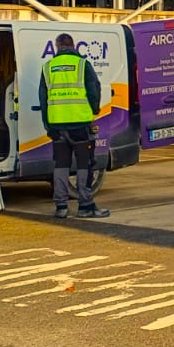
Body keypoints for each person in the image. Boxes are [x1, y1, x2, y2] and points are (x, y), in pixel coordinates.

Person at [40, 33, 109, 219]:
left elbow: (43, 98)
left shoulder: (48, 67)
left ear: (57, 47)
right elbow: (94, 89)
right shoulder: (82, 65)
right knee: (84, 165)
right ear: (73, 46)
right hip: (80, 125)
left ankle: (61, 206)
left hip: (57, 125)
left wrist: (48, 125)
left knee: (61, 166)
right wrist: (94, 109)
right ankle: (86, 206)